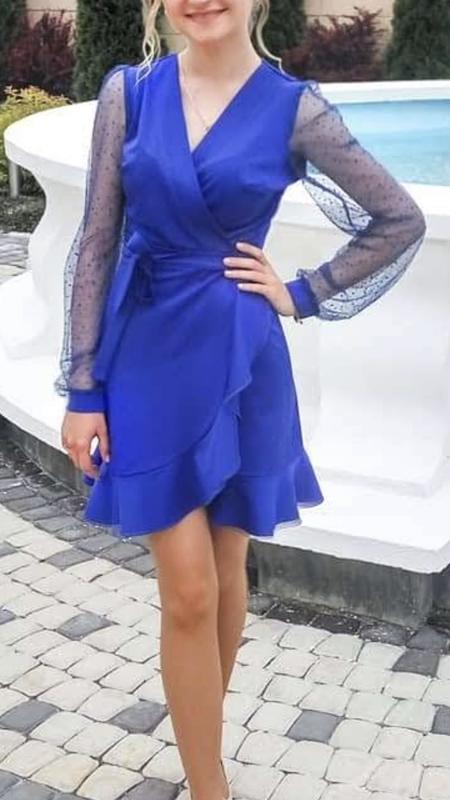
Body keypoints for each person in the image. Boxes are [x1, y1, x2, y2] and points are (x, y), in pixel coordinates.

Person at [55, 2, 426, 798]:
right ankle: (211, 786)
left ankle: (204, 764)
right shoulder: (131, 93)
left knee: (225, 572)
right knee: (189, 587)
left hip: (241, 356)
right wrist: (83, 385)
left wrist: (304, 291)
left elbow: (397, 218)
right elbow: (95, 241)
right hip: (147, 354)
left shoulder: (294, 109)